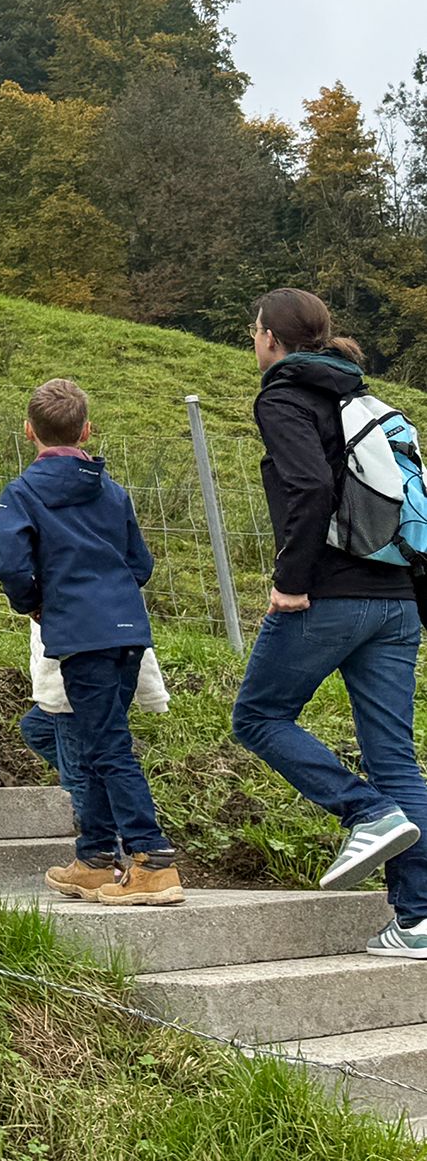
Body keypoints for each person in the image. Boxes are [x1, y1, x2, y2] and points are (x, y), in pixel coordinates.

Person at [232, 288, 427, 955]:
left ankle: (364, 812)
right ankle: (418, 918)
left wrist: (289, 582)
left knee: (257, 716)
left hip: (328, 596)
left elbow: (310, 488)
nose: (253, 341)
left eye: (253, 331)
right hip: (397, 600)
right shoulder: (370, 401)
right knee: (394, 757)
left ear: (270, 339)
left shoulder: (282, 396)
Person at [0, 379, 183, 905]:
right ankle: (96, 856)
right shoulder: (113, 490)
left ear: (29, 431)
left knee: (109, 746)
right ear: (87, 429)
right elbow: (139, 564)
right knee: (98, 738)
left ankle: (152, 859)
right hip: (127, 631)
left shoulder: (23, 493)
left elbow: (11, 564)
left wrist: (34, 601)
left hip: (78, 633)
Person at [23, 622, 170, 814]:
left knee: (78, 774)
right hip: (88, 680)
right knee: (36, 727)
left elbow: (23, 596)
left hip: (77, 684)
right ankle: (112, 792)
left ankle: (104, 832)